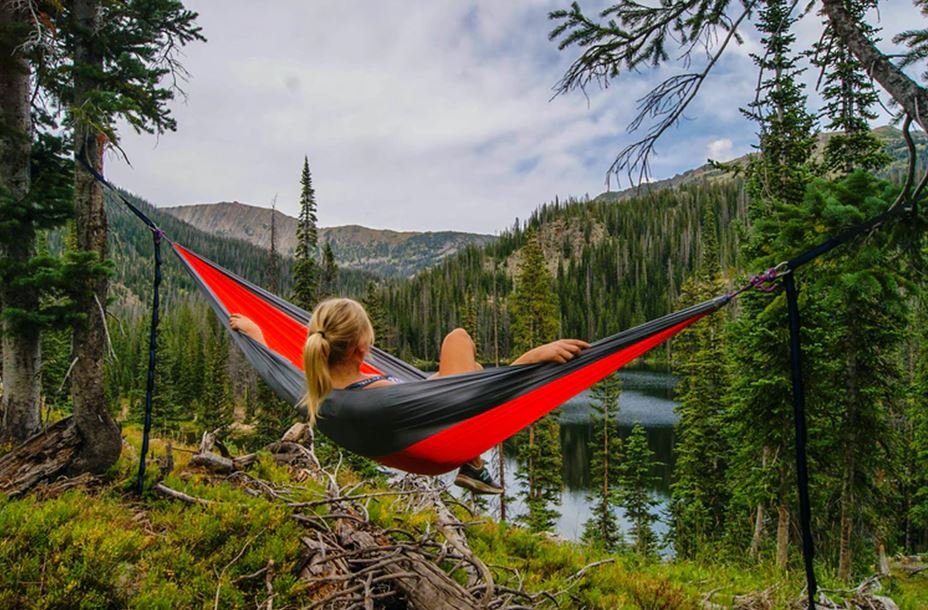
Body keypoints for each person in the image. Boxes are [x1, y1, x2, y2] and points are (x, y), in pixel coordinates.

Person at [230, 297, 589, 495]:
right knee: (458, 338)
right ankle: (473, 463)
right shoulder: (379, 397)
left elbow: (277, 367)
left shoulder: (313, 389)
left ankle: (476, 464)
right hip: (437, 446)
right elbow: (475, 404)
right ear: (361, 348)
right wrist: (530, 360)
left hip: (410, 427)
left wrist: (257, 336)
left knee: (474, 368)